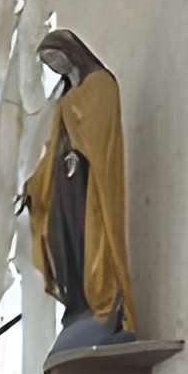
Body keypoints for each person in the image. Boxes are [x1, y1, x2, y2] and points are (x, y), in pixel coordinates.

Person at [20, 31, 134, 354]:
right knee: (68, 244)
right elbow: (54, 147)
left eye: (56, 58)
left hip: (90, 185)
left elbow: (100, 129)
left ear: (71, 53)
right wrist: (35, 185)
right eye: (49, 63)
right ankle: (79, 306)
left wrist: (78, 137)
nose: (55, 66)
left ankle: (106, 304)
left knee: (94, 243)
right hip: (66, 186)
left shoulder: (100, 84)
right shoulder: (65, 99)